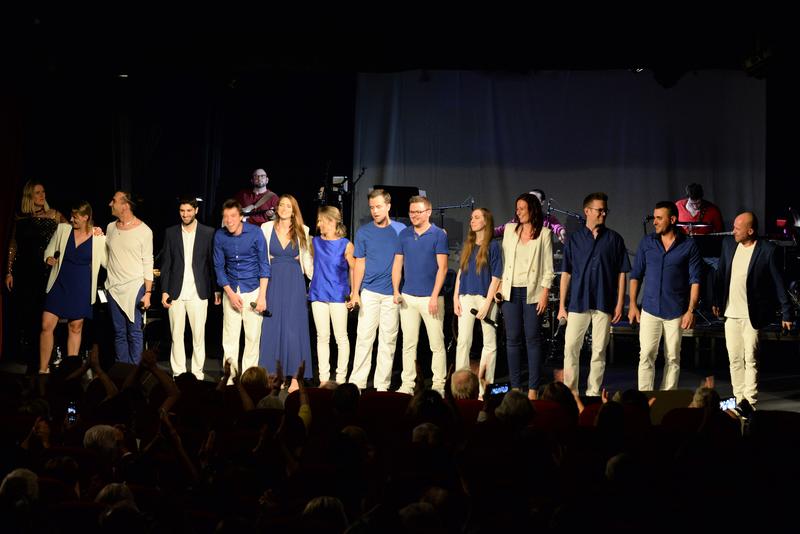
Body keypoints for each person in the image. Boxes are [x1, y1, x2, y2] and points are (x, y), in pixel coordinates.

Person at [713, 212, 793, 407]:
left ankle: (750, 401)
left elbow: (778, 283)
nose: (733, 231)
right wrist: (716, 301)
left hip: (752, 315)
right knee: (734, 359)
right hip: (731, 312)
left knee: (751, 358)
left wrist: (786, 313)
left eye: (737, 229)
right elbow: (721, 274)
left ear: (750, 230)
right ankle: (739, 399)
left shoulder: (767, 250)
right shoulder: (728, 244)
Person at [558, 193, 630, 396]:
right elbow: (566, 273)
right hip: (578, 302)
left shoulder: (614, 239)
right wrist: (562, 305)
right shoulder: (574, 240)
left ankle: (593, 392)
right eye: (600, 210)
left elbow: (622, 273)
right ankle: (570, 392)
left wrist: (619, 304)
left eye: (605, 210)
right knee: (571, 347)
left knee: (599, 350)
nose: (603, 213)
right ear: (587, 211)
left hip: (604, 301)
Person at [629, 201, 702, 391]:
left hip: (675, 311)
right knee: (646, 355)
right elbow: (636, 275)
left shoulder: (688, 245)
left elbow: (695, 280)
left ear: (673, 219)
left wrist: (690, 310)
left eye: (659, 218)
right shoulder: (647, 242)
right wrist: (633, 305)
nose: (654, 222)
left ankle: (667, 398)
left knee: (673, 357)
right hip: (650, 309)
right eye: (654, 217)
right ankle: (644, 399)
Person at [498, 193, 555, 399]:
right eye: (517, 208)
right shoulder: (510, 230)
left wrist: (545, 293)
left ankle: (532, 388)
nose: (518, 212)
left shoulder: (545, 234)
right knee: (512, 339)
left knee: (532, 339)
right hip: (510, 291)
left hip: (532, 293)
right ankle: (515, 387)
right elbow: (502, 263)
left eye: (522, 208)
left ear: (532, 210)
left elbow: (548, 269)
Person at [39, 201, 106, 373]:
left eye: (75, 217)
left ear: (85, 218)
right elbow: (49, 250)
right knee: (47, 324)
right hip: (59, 282)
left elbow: (107, 262)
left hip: (81, 285)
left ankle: (70, 372)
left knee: (75, 327)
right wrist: (48, 259)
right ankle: (42, 370)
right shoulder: (63, 230)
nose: (71, 219)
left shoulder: (98, 237)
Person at [5, 180, 65, 370]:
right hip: (24, 272)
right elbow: (13, 245)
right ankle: (31, 361)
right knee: (28, 316)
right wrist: (9, 271)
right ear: (29, 197)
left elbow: (73, 232)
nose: (42, 195)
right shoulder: (20, 218)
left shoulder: (54, 215)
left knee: (44, 316)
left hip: (45, 272)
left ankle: (46, 359)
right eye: (37, 193)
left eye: (43, 192)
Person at [348, 189, 405, 391]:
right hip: (370, 292)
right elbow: (359, 264)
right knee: (364, 337)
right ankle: (357, 383)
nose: (375, 211)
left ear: (388, 206)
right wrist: (355, 292)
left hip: (391, 294)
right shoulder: (364, 232)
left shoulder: (400, 230)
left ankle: (382, 386)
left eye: (379, 206)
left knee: (388, 341)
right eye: (372, 207)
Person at [392, 196, 449, 395]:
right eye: (411, 212)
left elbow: (442, 268)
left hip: (430, 298)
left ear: (428, 212)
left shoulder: (438, 235)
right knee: (408, 344)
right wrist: (396, 290)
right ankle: (407, 384)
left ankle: (439, 385)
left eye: (418, 211)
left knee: (436, 344)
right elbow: (398, 264)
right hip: (408, 297)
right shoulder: (404, 235)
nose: (414, 215)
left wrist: (434, 296)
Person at [160, 198, 221, 379]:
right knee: (176, 335)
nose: (185, 214)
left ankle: (197, 373)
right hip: (175, 292)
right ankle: (178, 372)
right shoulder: (171, 232)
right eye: (182, 211)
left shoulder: (208, 232)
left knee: (198, 336)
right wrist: (164, 290)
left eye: (188, 210)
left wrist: (216, 290)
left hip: (198, 292)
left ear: (196, 210)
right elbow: (166, 264)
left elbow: (212, 264)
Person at [260, 194, 313, 391]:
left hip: (294, 282)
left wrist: (311, 273)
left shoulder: (303, 230)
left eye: (288, 206)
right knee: (273, 326)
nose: (284, 208)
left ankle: (294, 378)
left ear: (294, 210)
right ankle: (275, 375)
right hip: (272, 280)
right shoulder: (266, 228)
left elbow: (307, 260)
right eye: (281, 205)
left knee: (293, 327)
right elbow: (262, 256)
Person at [214, 199, 270, 382]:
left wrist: (262, 297)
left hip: (253, 290)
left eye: (233, 216)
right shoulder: (220, 236)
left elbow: (264, 265)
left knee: (252, 338)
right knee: (230, 338)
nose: (229, 220)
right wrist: (230, 294)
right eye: (226, 217)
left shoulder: (255, 233)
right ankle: (229, 379)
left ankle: (249, 381)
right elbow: (219, 267)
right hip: (231, 290)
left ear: (241, 217)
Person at [453, 208, 502, 396]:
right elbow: (460, 272)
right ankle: (460, 387)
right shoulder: (468, 245)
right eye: (471, 217)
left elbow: (496, 278)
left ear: (486, 221)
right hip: (466, 297)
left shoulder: (494, 246)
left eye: (476, 217)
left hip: (484, 297)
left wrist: (488, 303)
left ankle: (484, 388)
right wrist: (456, 296)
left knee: (489, 343)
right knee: (463, 341)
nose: (472, 220)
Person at [105, 191, 154, 365]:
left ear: (125, 205)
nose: (110, 204)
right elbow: (106, 255)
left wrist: (147, 293)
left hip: (134, 287)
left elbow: (148, 262)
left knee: (134, 332)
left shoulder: (144, 231)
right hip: (113, 287)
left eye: (114, 201)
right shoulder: (110, 228)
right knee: (119, 332)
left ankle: (135, 372)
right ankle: (122, 370)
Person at [308, 206, 355, 385]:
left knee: (341, 337)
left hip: (338, 294)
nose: (320, 224)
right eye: (319, 221)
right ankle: (324, 379)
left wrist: (353, 292)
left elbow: (354, 267)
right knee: (322, 337)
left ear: (333, 221)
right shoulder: (315, 242)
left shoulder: (346, 244)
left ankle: (341, 378)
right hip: (318, 293)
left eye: (323, 220)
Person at [494, 188, 567, 243]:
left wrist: (561, 232)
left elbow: (557, 227)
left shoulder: (548, 219)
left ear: (542, 202)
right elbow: (502, 229)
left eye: (534, 199)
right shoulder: (520, 219)